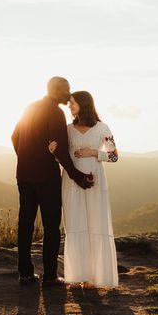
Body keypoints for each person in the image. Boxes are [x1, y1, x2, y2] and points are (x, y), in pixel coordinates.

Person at [11, 77, 94, 286]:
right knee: (51, 226)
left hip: (23, 175)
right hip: (46, 177)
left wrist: (24, 156)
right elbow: (60, 150)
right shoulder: (55, 112)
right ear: (56, 90)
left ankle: (25, 274)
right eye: (66, 90)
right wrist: (77, 176)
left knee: (26, 224)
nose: (69, 94)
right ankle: (49, 276)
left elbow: (14, 136)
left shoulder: (30, 107)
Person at [49, 91, 119, 288]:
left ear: (84, 104)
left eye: (72, 103)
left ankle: (94, 277)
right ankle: (79, 274)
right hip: (71, 182)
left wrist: (94, 152)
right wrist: (53, 152)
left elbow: (114, 156)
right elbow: (63, 156)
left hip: (95, 181)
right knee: (75, 225)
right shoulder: (67, 129)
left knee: (95, 224)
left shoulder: (102, 127)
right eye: (69, 103)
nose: (69, 106)